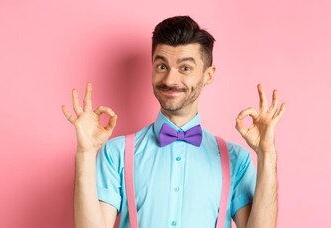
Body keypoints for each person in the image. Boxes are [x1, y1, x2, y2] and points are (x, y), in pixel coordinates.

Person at [62, 15, 285, 228]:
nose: (170, 79)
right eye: (162, 66)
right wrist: (85, 154)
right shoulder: (116, 153)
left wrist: (267, 153)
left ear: (208, 75)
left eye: (185, 68)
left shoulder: (237, 159)